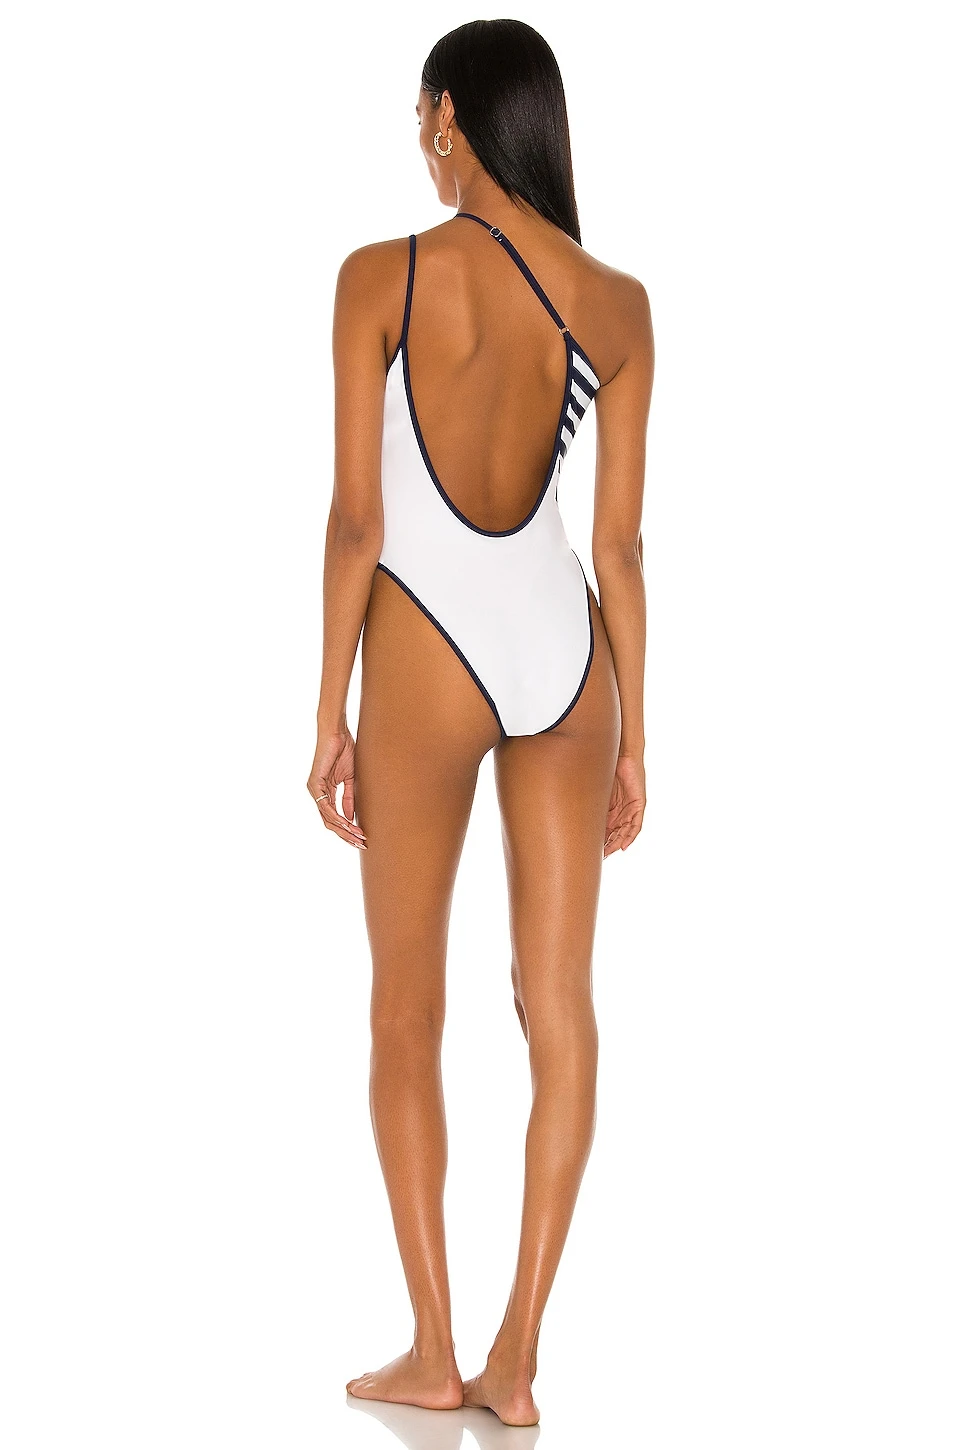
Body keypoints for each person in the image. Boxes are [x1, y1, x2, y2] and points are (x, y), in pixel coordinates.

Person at [307, 18, 653, 1429]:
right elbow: (619, 548)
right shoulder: (617, 301)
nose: (418, 140)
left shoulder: (380, 275)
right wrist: (639, 737)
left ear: (452, 116)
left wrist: (326, 711)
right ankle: (516, 1357)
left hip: (426, 648)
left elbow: (357, 520)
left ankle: (436, 1345)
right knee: (558, 1008)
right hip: (569, 661)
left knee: (407, 1007)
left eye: (420, 117)